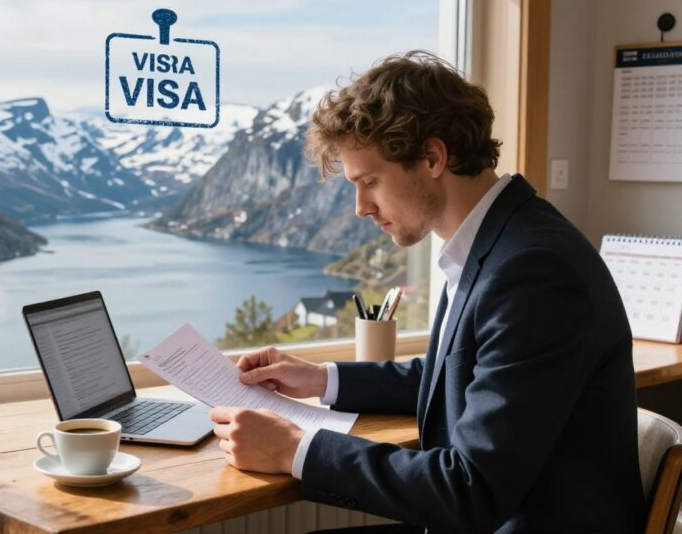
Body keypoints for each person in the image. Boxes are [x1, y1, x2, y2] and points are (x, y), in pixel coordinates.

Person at [209, 51, 645, 533]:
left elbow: (471, 492)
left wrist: (294, 448)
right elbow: (459, 374)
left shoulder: (534, 270)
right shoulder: (497, 242)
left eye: (370, 181)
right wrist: (321, 378)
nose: (360, 208)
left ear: (433, 157)